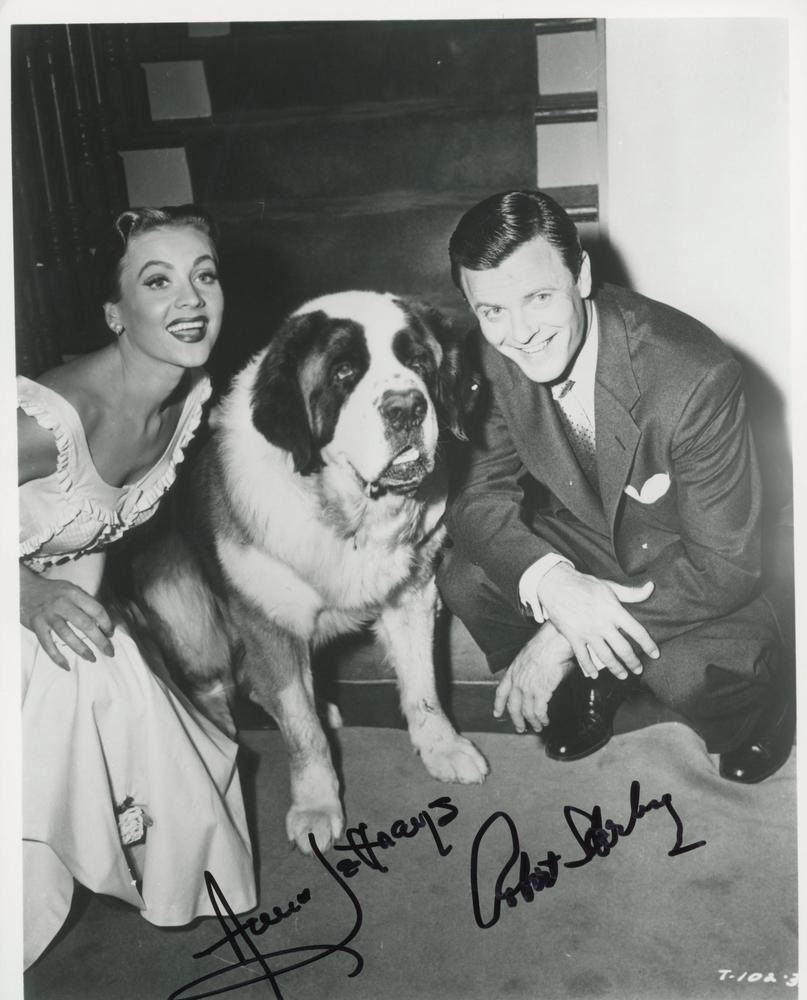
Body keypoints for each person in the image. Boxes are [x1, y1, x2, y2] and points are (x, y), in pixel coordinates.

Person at [438, 189, 792, 784]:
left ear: (581, 276)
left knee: (691, 677)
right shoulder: (489, 357)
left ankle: (767, 710)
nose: (518, 333)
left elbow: (727, 565)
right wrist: (553, 582)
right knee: (465, 576)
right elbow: (476, 498)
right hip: (593, 535)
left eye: (539, 297)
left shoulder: (694, 376)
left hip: (686, 561)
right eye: (491, 310)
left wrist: (561, 633)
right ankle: (594, 673)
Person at [18, 205, 256, 970]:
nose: (191, 300)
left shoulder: (187, 396)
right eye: (158, 282)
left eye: (204, 276)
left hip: (65, 598)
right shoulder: (48, 421)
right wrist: (26, 596)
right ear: (115, 314)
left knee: (111, 680)